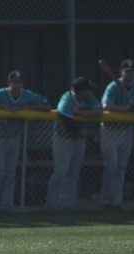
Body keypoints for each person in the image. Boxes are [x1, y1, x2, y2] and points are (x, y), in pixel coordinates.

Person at [0, 70, 50, 209]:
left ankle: (7, 204)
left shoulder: (27, 95)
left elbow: (47, 106)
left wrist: (27, 107)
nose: (16, 84)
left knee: (10, 174)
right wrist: (2, 107)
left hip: (15, 137)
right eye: (14, 82)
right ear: (9, 83)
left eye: (19, 82)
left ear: (22, 83)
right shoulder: (0, 94)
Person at [98, 59, 134, 208]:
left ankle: (117, 202)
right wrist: (126, 109)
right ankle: (105, 200)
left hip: (126, 129)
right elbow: (105, 106)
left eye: (132, 71)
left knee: (121, 167)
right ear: (121, 72)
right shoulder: (113, 86)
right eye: (127, 71)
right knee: (111, 166)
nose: (130, 74)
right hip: (110, 129)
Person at [45, 77, 102, 209]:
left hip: (78, 140)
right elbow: (70, 125)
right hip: (62, 138)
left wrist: (81, 112)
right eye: (88, 90)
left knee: (73, 173)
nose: (91, 92)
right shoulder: (67, 99)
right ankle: (51, 204)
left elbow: (98, 110)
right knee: (60, 172)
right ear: (81, 91)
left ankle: (67, 204)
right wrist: (87, 134)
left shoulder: (89, 97)